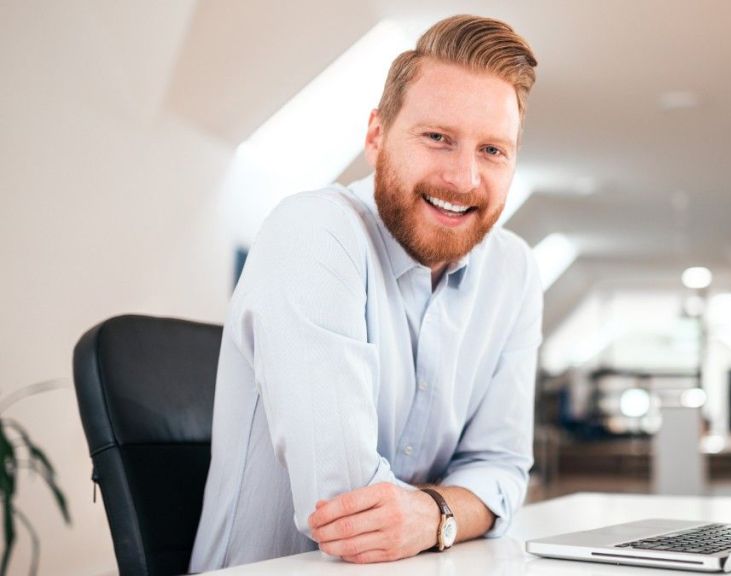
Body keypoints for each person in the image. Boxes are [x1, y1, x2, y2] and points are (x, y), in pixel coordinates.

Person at [189, 14, 542, 571]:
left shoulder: (514, 271)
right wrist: (455, 506)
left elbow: (501, 471)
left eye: (493, 151)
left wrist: (429, 515)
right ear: (376, 135)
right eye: (437, 138)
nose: (464, 178)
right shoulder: (314, 232)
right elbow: (350, 509)